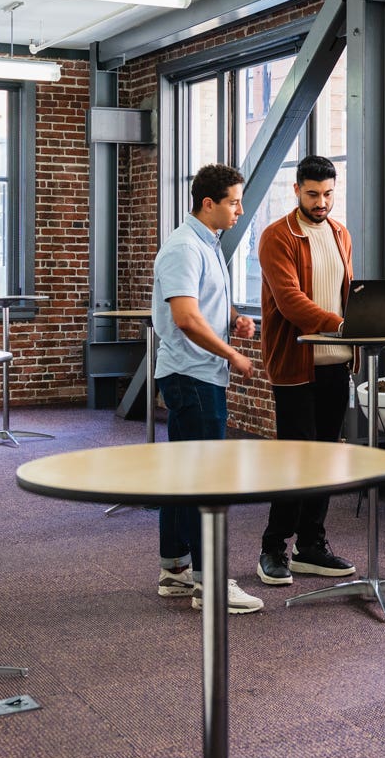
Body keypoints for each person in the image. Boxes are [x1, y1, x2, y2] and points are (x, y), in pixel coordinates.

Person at [151, 163, 264, 614]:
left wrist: (233, 317)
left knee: (185, 476)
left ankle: (175, 570)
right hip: (192, 375)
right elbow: (185, 317)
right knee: (205, 479)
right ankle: (209, 582)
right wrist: (232, 354)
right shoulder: (183, 247)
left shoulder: (207, 243)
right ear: (208, 203)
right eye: (234, 201)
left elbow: (204, 303)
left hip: (198, 373)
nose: (241, 209)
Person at [253, 154, 358, 587]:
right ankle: (273, 547)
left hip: (336, 363)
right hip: (296, 365)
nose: (322, 202)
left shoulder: (339, 233)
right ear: (296, 190)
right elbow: (290, 300)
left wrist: (360, 325)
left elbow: (345, 292)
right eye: (313, 194)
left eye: (329, 194)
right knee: (297, 458)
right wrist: (340, 325)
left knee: (326, 457)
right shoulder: (277, 236)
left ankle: (311, 545)